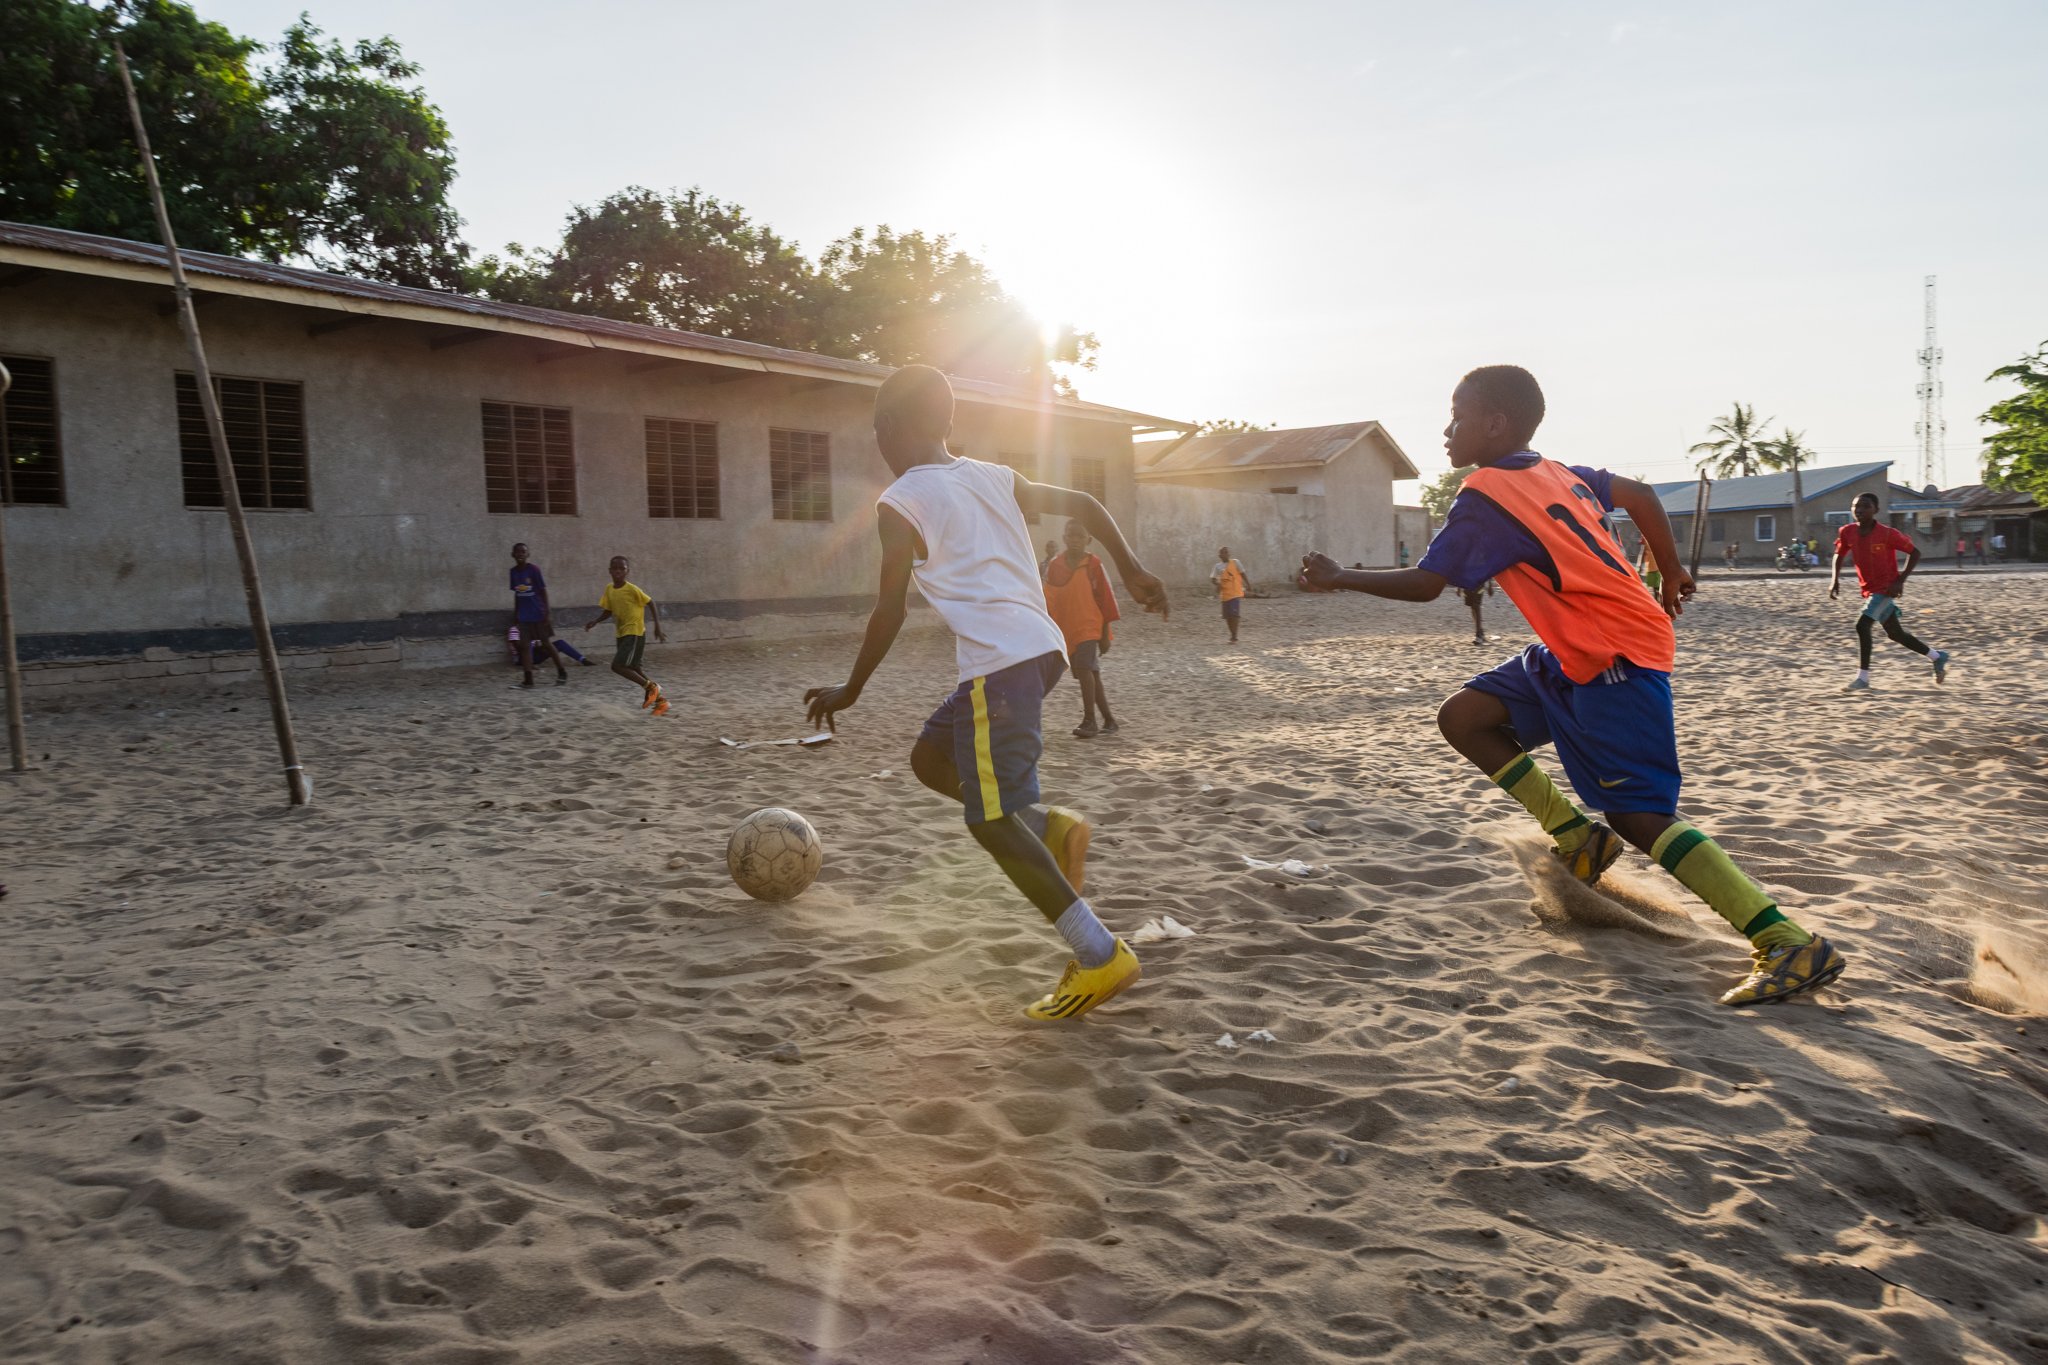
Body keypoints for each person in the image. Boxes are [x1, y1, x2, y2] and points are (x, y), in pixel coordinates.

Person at [1297, 364, 1845, 1007]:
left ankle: (1782, 939)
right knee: (1466, 718)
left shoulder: (1485, 493)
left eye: (1458, 416)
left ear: (1495, 423)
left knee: (1639, 815)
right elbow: (1640, 494)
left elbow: (1425, 584)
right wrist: (1670, 573)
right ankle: (1576, 835)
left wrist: (1340, 576)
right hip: (1575, 649)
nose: (1447, 431)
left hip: (1614, 651)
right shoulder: (1556, 472)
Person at [804, 365, 1168, 1022]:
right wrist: (1133, 567)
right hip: (1040, 652)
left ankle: (1098, 952)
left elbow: (888, 610)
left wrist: (850, 687)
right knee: (930, 757)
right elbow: (1085, 505)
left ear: (887, 430)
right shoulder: (994, 476)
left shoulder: (901, 501)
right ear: (948, 422)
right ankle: (1050, 827)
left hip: (999, 664)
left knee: (986, 817)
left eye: (878, 430)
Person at [1830, 492, 1949, 691]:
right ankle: (1937, 657)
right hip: (1869, 590)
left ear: (1876, 510)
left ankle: (1863, 678)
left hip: (1885, 589)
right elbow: (1839, 554)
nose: (1859, 510)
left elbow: (1915, 553)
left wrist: (1900, 581)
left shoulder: (1887, 534)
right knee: (1896, 634)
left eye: (1865, 506)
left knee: (1862, 625)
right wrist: (1834, 579)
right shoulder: (1848, 532)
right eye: (1855, 506)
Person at [1043, 517, 1122, 738]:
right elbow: (1049, 599)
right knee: (1090, 674)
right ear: (1064, 538)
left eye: (1080, 536)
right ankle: (1109, 720)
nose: (1075, 540)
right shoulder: (1055, 565)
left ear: (1088, 539)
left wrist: (1105, 634)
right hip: (1068, 628)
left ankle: (1089, 721)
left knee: (1086, 669)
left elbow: (1105, 599)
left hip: (1090, 626)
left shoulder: (1094, 564)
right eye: (1071, 535)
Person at [585, 556, 670, 715]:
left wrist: (657, 626)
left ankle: (651, 687)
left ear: (627, 571)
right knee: (633, 667)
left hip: (635, 632)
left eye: (622, 568)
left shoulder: (632, 589)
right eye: (615, 568)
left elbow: (650, 602)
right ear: (609, 571)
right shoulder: (609, 589)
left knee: (617, 666)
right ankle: (661, 702)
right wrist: (595, 621)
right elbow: (608, 610)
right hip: (622, 633)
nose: (618, 571)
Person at [508, 543, 569, 688]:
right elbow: (517, 594)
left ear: (528, 554)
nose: (520, 554)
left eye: (523, 552)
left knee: (546, 643)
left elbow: (543, 591)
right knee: (524, 646)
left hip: (538, 614)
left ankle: (562, 671)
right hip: (523, 616)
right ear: (513, 554)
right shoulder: (513, 572)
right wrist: (516, 613)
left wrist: (547, 613)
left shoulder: (533, 570)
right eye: (518, 552)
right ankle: (528, 680)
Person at [507, 623, 591, 667]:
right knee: (528, 645)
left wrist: (541, 646)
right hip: (522, 659)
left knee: (560, 643)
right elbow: (518, 647)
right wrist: (531, 643)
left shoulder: (533, 629)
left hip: (535, 655)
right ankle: (530, 665)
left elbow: (539, 644)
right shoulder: (514, 629)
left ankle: (582, 660)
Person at [1211, 547, 1249, 642]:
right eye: (1223, 553)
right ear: (1220, 555)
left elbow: (1243, 573)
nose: (1225, 554)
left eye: (1227, 552)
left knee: (1234, 615)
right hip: (1225, 594)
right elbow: (1212, 578)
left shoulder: (1236, 562)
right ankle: (1232, 633)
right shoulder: (1217, 566)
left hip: (1235, 593)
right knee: (1227, 616)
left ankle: (1234, 635)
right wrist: (1217, 583)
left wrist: (1248, 584)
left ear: (1229, 554)